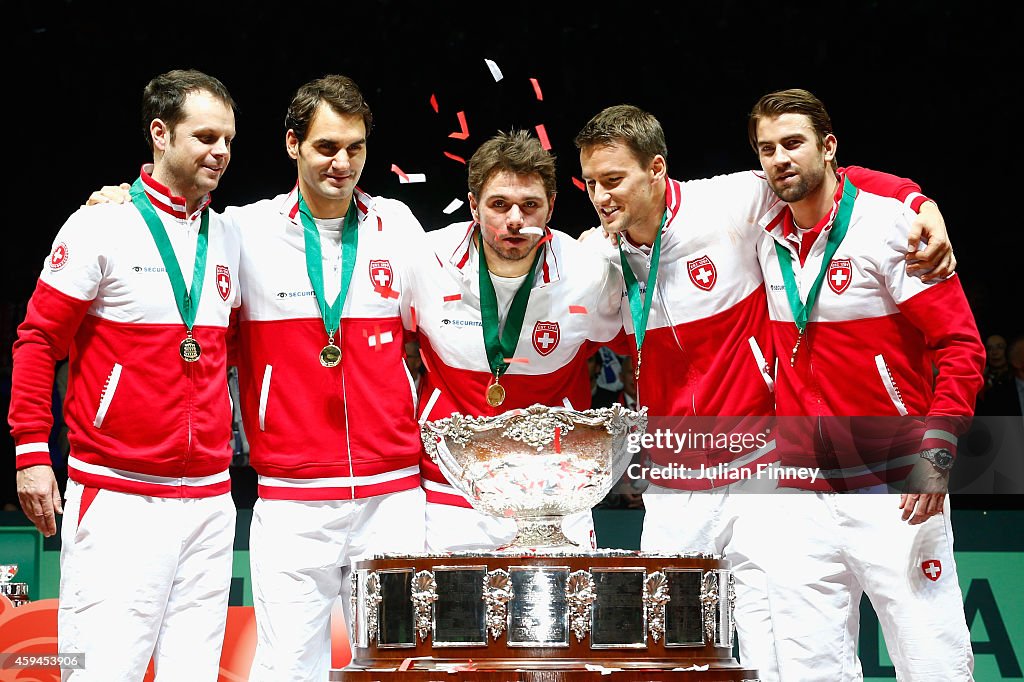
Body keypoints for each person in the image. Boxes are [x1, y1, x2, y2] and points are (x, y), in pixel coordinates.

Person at [573, 103, 954, 680]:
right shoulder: (600, 255)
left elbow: (823, 179)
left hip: (760, 468)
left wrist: (918, 202)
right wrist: (590, 273)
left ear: (656, 168)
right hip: (675, 480)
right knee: (670, 653)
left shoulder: (731, 202)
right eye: (592, 183)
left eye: (613, 180)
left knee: (772, 653)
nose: (601, 197)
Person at [86, 74, 428, 682]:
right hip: (292, 498)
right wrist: (115, 200)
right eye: (326, 146)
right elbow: (172, 227)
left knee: (397, 667)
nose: (342, 162)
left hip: (393, 494)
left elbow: (460, 301)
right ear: (293, 144)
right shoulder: (242, 232)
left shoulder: (398, 226)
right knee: (288, 669)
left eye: (355, 147)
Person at [9, 69, 240, 680]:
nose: (221, 151)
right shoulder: (99, 224)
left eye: (229, 140)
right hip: (117, 495)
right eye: (206, 136)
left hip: (212, 501)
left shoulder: (231, 235)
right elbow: (37, 341)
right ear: (160, 134)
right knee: (100, 671)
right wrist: (32, 452)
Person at [750, 87, 983, 680]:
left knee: (933, 663)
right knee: (811, 669)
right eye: (767, 148)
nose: (780, 158)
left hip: (895, 483)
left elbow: (961, 348)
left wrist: (938, 449)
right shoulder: (761, 231)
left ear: (829, 148)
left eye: (794, 143)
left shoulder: (891, 228)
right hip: (799, 494)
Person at [404, 129, 625, 552]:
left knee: (561, 620)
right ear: (473, 205)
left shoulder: (590, 273)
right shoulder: (425, 262)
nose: (515, 220)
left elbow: (635, 354)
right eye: (499, 205)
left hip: (557, 490)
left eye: (530, 205)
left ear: (552, 206)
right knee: (454, 620)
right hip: (453, 488)